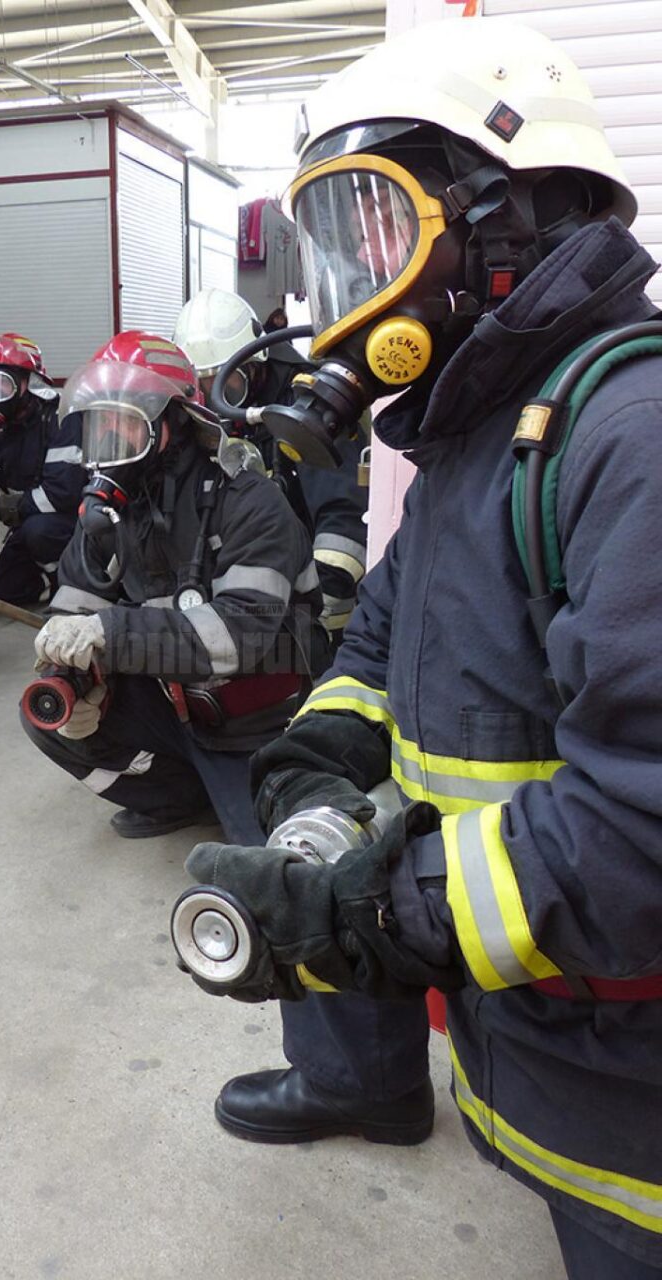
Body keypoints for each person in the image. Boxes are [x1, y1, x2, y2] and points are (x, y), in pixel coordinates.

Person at [178, 18, 662, 1278]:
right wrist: (322, 745)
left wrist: (378, 910)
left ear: (503, 223)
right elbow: (389, 625)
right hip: (556, 1057)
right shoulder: (478, 433)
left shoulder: (632, 436)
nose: (348, 292)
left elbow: (643, 830)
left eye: (370, 231)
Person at [21, 330, 328, 843]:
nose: (110, 440)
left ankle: (227, 790)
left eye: (126, 421)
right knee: (51, 715)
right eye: (101, 424)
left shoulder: (250, 499)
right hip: (174, 701)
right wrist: (78, 679)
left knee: (275, 866)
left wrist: (109, 633)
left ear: (173, 419)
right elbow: (74, 612)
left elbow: (238, 637)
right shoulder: (110, 511)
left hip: (257, 721)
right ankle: (179, 797)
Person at [174, 287, 368, 636]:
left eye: (225, 384)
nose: (217, 400)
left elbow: (345, 519)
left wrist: (318, 612)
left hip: (310, 599)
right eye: (202, 387)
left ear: (253, 365)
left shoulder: (309, 408)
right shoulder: (210, 418)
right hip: (243, 587)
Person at [0, 334, 83, 607]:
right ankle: (49, 581)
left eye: (2, 385)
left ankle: (72, 582)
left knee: (39, 531)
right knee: (2, 591)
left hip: (71, 523)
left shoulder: (61, 420)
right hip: (29, 520)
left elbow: (61, 495)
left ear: (27, 384)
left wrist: (2, 507)